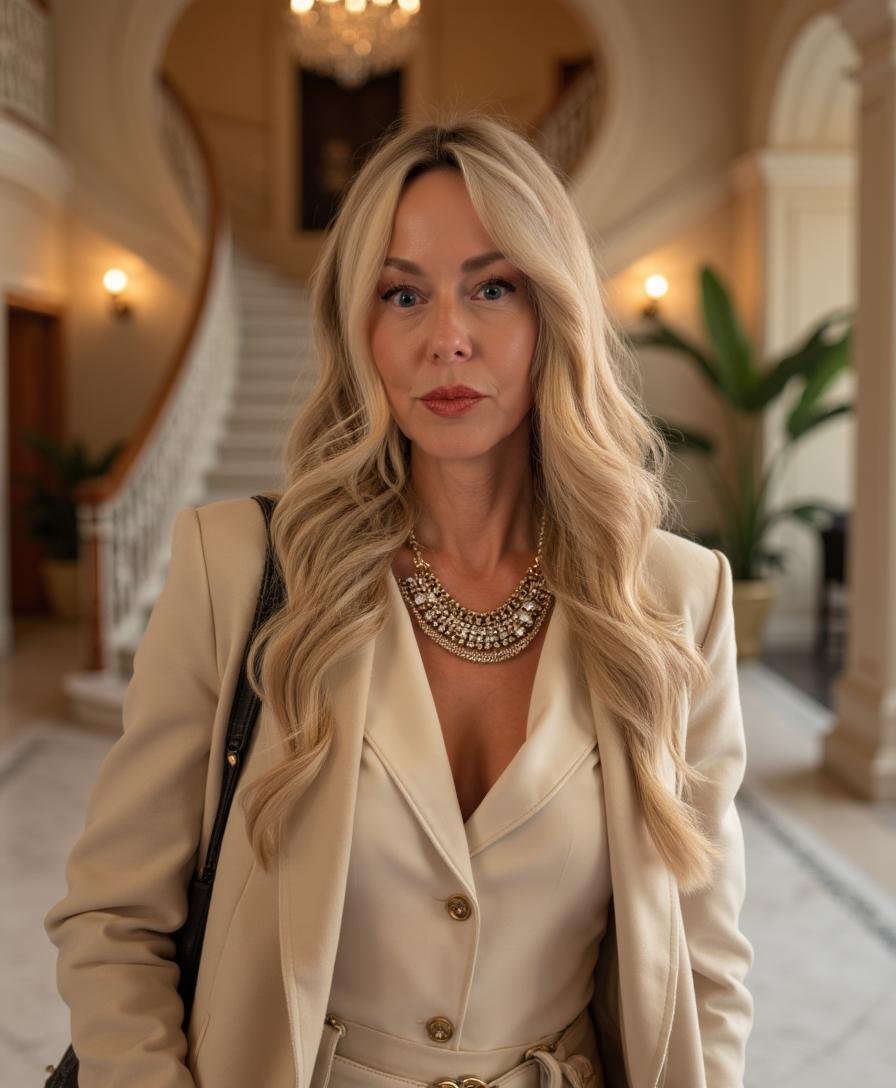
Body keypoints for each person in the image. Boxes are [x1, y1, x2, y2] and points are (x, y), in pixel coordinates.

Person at [44, 112, 754, 1088]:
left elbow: (704, 964)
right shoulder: (237, 567)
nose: (446, 339)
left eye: (492, 287)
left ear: (555, 311)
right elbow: (114, 923)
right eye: (402, 293)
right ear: (359, 325)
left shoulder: (673, 598)